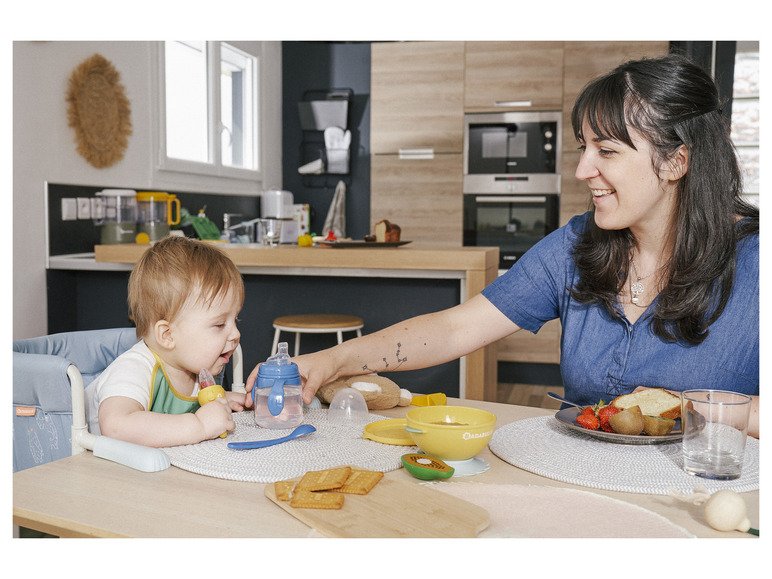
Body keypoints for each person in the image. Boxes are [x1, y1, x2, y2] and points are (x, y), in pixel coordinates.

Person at [245, 54, 759, 438]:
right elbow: (456, 327)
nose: (583, 170)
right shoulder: (579, 244)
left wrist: (702, 408)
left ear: (676, 162)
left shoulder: (757, 264)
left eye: (606, 151)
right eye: (584, 149)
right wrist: (332, 362)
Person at [85, 236, 247, 447]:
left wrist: (222, 399)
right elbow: (116, 427)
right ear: (168, 335)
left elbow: (175, 406)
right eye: (219, 325)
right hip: (94, 472)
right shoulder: (134, 370)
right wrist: (199, 425)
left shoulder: (192, 367)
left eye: (235, 320)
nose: (235, 334)